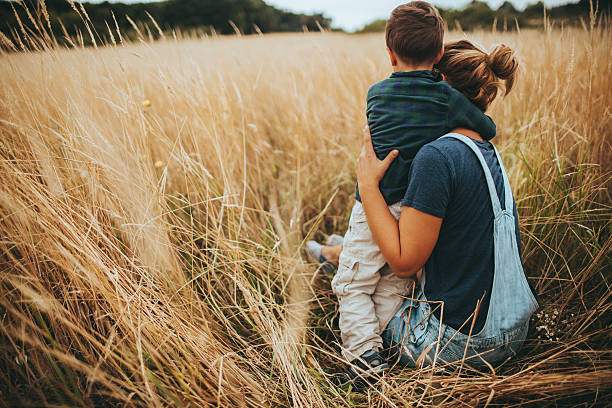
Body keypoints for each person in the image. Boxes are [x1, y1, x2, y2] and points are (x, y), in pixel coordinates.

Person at [311, 39, 539, 386]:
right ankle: (336, 252)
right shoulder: (484, 149)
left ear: (440, 84)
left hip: (456, 345)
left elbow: (405, 263)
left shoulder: (438, 156)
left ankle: (337, 261)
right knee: (367, 256)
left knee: (365, 285)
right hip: (512, 330)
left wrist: (369, 185)